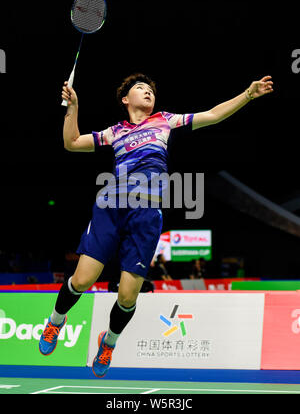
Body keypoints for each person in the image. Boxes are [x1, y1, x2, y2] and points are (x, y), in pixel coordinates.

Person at [39, 72, 273, 378]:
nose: (148, 92)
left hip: (146, 214)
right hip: (111, 206)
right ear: (125, 100)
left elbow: (213, 115)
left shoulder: (165, 120)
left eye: (150, 89)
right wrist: (74, 106)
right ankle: (56, 320)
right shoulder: (115, 131)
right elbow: (71, 142)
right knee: (81, 280)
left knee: (127, 296)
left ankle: (108, 341)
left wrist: (248, 94)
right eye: (140, 88)